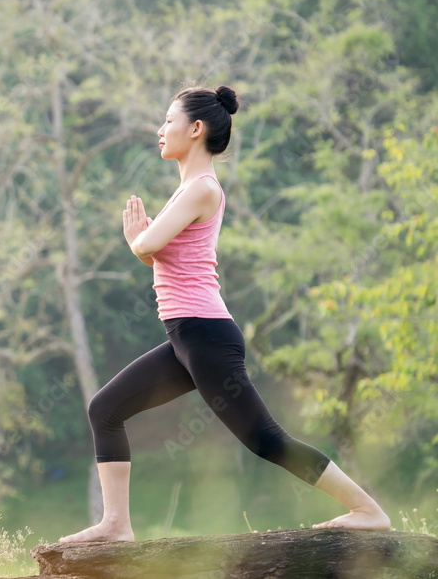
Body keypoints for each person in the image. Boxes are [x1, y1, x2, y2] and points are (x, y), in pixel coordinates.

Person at [59, 84, 390, 543]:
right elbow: (158, 258)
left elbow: (148, 245)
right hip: (186, 337)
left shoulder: (202, 190)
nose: (160, 130)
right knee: (105, 410)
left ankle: (368, 510)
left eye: (168, 121)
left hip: (206, 336)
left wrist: (136, 237)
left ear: (195, 129)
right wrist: (141, 242)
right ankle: (116, 525)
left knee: (266, 440)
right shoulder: (186, 191)